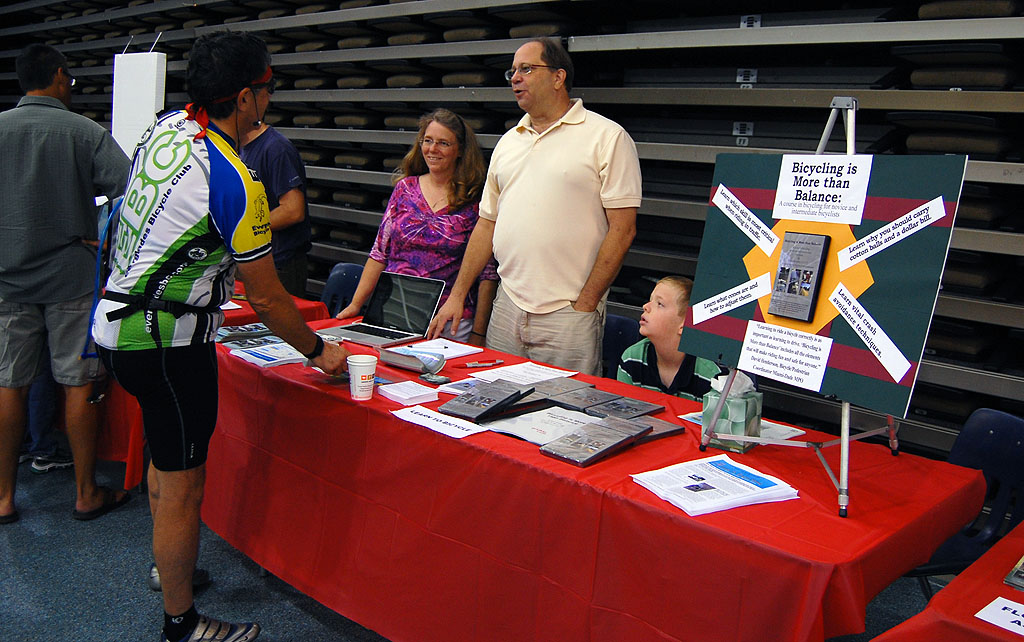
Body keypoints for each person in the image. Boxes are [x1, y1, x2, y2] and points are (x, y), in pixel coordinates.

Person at [91, 32, 349, 642]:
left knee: (162, 456)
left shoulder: (167, 128)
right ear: (244, 97)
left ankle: (169, 569)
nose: (269, 98)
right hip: (167, 342)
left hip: (120, 325)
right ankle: (181, 623)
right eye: (267, 88)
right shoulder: (234, 177)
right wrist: (319, 352)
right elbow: (265, 296)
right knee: (184, 483)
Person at [427, 37, 641, 374]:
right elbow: (487, 224)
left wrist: (585, 303)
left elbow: (623, 229)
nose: (515, 78)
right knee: (495, 406)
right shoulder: (508, 142)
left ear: (558, 78)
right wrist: (457, 295)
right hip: (507, 306)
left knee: (567, 414)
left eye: (526, 69)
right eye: (512, 71)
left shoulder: (607, 137)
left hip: (568, 314)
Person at [0, 43, 131, 525]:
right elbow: (131, 193)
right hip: (71, 280)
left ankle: (3, 498)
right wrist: (100, 236)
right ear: (58, 76)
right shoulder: (85, 133)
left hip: (7, 280)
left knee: (8, 384)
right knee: (79, 384)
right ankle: (84, 493)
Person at [336, 108, 498, 345]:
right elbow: (379, 253)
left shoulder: (475, 199)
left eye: (443, 143)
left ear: (460, 150)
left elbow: (487, 273)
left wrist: (478, 333)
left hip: (448, 322)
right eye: (428, 141)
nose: (433, 149)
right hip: (394, 312)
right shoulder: (404, 190)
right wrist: (356, 305)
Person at [617, 276, 733, 401]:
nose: (646, 306)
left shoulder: (712, 376)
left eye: (660, 304)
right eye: (649, 300)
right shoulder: (632, 358)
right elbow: (623, 413)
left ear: (683, 326)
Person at [241, 120, 312, 297]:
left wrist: (243, 229)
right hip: (249, 260)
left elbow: (292, 211)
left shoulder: (276, 149)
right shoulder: (236, 147)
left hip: (278, 264)